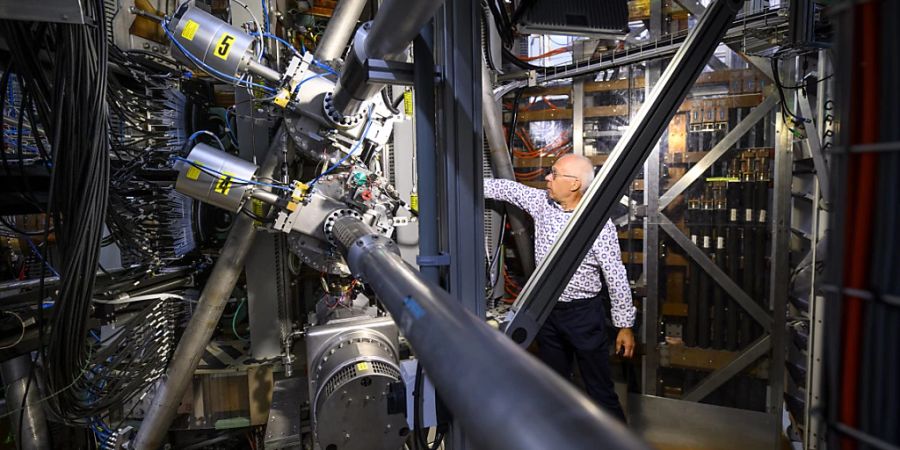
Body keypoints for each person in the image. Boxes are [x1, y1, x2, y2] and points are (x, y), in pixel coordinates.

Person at [485, 153, 636, 423]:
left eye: (554, 174)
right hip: (547, 312)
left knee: (599, 390)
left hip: (584, 315)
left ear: (575, 184)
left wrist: (624, 325)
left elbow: (615, 274)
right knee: (554, 386)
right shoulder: (543, 204)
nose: (547, 178)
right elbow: (507, 189)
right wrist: (458, 184)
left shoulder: (597, 224)